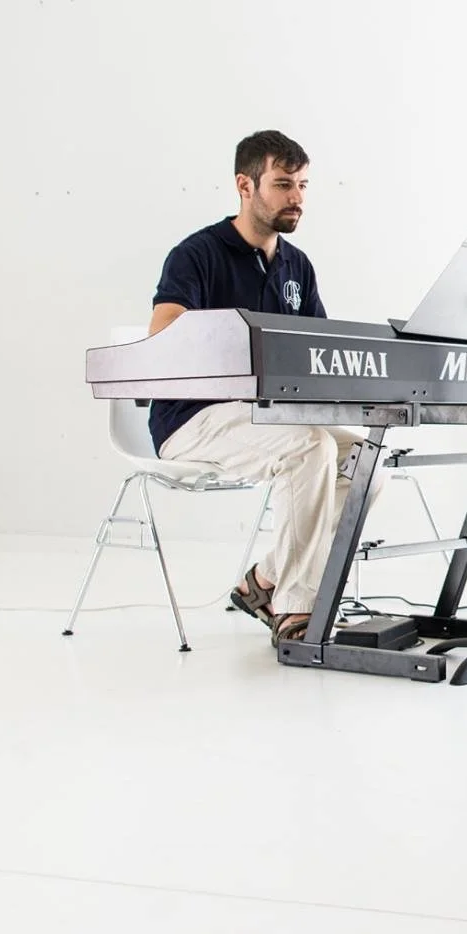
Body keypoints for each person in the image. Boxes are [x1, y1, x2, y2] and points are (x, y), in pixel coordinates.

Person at [148, 130, 364, 641]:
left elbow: (315, 351)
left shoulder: (296, 265)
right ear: (245, 186)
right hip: (192, 419)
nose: (297, 197)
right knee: (310, 448)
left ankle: (264, 580)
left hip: (266, 417)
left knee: (365, 460)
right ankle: (295, 608)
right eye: (283, 184)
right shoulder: (197, 254)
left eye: (303, 185)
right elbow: (163, 334)